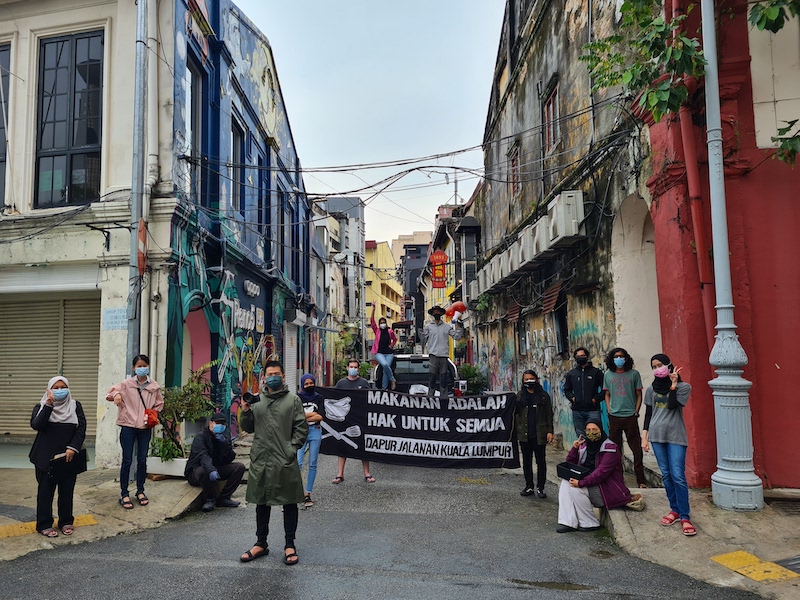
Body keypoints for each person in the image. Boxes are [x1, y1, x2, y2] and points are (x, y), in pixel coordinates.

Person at [239, 360, 308, 565]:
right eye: (269, 374)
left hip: (284, 459)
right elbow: (248, 427)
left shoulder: (292, 400)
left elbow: (301, 428)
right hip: (262, 459)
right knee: (262, 501)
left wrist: (291, 449)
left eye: (277, 373)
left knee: (289, 502)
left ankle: (289, 544)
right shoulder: (257, 400)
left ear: (284, 377)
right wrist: (245, 410)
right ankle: (261, 543)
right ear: (264, 377)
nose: (273, 377)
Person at [642, 353, 696, 536]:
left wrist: (673, 385)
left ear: (669, 365)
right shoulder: (651, 389)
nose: (657, 368)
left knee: (678, 475)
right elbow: (648, 414)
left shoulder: (683, 387)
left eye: (660, 365)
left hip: (675, 436)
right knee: (666, 475)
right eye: (654, 366)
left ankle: (685, 516)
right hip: (657, 436)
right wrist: (644, 437)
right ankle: (674, 510)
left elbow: (673, 405)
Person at [29, 376, 87, 537]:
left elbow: (81, 428)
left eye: (63, 387)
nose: (60, 390)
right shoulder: (40, 406)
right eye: (56, 387)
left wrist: (73, 447)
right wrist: (48, 405)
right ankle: (44, 524)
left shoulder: (75, 406)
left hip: (68, 457)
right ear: (49, 390)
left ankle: (66, 521)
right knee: (45, 492)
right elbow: (36, 425)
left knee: (67, 491)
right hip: (44, 457)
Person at [105, 354, 164, 509]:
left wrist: (152, 413)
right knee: (127, 460)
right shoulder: (126, 384)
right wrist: (117, 395)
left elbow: (160, 403)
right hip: (128, 426)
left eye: (144, 365)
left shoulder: (154, 386)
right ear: (133, 368)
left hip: (145, 428)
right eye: (139, 366)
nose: (142, 368)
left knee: (142, 460)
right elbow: (110, 394)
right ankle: (124, 493)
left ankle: (140, 490)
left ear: (148, 366)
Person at [557, 419, 633, 533]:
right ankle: (568, 522)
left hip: (608, 490)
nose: (591, 432)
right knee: (565, 482)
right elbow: (571, 465)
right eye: (588, 430)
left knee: (576, 489)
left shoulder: (610, 449)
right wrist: (574, 449)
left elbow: (601, 473)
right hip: (594, 486)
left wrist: (581, 483)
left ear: (601, 430)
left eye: (594, 429)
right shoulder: (584, 446)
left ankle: (589, 522)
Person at [602, 347, 647, 488]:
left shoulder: (634, 374)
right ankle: (617, 480)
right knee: (615, 450)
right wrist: (609, 409)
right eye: (616, 356)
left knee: (636, 450)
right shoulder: (608, 375)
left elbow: (639, 394)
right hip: (614, 417)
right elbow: (607, 394)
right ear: (612, 359)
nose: (619, 358)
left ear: (626, 358)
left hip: (630, 417)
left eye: (621, 356)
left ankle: (641, 481)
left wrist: (636, 410)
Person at [185, 412, 246, 513]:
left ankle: (224, 498)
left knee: (239, 467)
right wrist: (211, 470)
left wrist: (225, 445)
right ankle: (210, 500)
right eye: (218, 423)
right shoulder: (200, 437)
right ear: (211, 423)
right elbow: (202, 456)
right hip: (197, 471)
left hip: (216, 467)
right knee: (204, 470)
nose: (220, 426)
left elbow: (230, 458)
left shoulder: (224, 437)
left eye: (222, 424)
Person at [332, 359, 375, 484]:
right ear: (347, 368)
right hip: (345, 419)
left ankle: (367, 473)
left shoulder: (364, 383)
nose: (353, 369)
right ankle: (340, 474)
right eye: (351, 366)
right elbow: (334, 399)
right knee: (342, 447)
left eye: (355, 367)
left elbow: (370, 399)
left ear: (358, 368)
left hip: (360, 419)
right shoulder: (341, 383)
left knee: (363, 446)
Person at [515, 370, 554, 498]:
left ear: (536, 379)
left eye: (531, 378)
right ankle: (529, 486)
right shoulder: (519, 396)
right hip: (525, 435)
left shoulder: (543, 396)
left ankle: (541, 488)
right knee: (526, 462)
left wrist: (550, 431)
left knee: (541, 461)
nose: (529, 381)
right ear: (523, 381)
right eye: (526, 379)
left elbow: (549, 414)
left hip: (540, 434)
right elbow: (514, 414)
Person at [419, 305, 464, 395]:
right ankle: (430, 399)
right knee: (432, 379)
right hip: (433, 356)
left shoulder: (446, 327)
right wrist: (420, 334)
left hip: (444, 357)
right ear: (432, 314)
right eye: (435, 312)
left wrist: (460, 326)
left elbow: (456, 336)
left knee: (443, 380)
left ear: (441, 313)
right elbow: (423, 340)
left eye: (438, 311)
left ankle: (443, 399)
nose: (436, 313)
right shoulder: (428, 327)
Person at [563, 347, 604, 438]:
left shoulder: (596, 373)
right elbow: (567, 389)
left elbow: (605, 389)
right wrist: (572, 398)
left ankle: (596, 452)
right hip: (577, 411)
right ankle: (583, 452)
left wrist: (596, 399)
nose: (580, 358)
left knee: (595, 436)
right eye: (578, 356)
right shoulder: (572, 374)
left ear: (587, 356)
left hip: (593, 410)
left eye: (582, 355)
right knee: (581, 437)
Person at [297, 374, 324, 507]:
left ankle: (308, 493)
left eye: (311, 383)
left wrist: (306, 416)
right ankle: (297, 492)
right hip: (301, 432)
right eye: (306, 384)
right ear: (302, 384)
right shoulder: (298, 398)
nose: (309, 386)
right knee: (298, 463)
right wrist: (313, 414)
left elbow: (321, 417)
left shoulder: (319, 397)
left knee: (313, 462)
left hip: (315, 431)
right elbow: (296, 416)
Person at [370, 304, 397, 390]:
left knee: (386, 371)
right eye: (381, 323)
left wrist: (391, 345)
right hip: (379, 353)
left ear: (386, 323)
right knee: (385, 365)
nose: (382, 324)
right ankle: (392, 380)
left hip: (389, 353)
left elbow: (395, 339)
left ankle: (384, 388)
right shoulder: (377, 331)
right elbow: (372, 321)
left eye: (383, 322)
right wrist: (373, 309)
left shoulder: (390, 331)